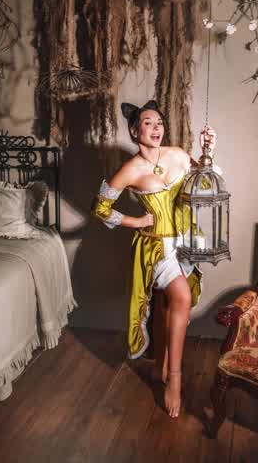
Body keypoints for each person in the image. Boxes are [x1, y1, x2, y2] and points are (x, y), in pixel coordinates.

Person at [91, 100, 216, 418]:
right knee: (181, 297)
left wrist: (207, 151)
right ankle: (174, 379)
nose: (157, 128)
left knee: (168, 306)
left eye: (159, 122)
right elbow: (100, 208)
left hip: (185, 241)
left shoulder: (177, 154)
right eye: (148, 123)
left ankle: (161, 366)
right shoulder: (130, 169)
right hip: (156, 247)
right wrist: (136, 222)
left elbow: (203, 182)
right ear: (135, 131)